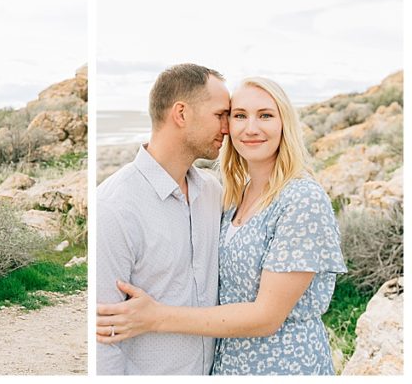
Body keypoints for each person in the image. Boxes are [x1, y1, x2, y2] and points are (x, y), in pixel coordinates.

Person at [96, 77, 347, 375]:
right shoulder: (229, 196)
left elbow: (266, 316)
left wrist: (156, 317)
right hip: (228, 369)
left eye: (265, 115)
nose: (243, 128)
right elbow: (103, 328)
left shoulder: (300, 198)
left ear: (284, 124)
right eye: (235, 115)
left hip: (286, 367)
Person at [96, 63, 230, 375]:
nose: (227, 127)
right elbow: (104, 335)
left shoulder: (212, 193)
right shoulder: (114, 206)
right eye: (219, 114)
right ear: (181, 114)